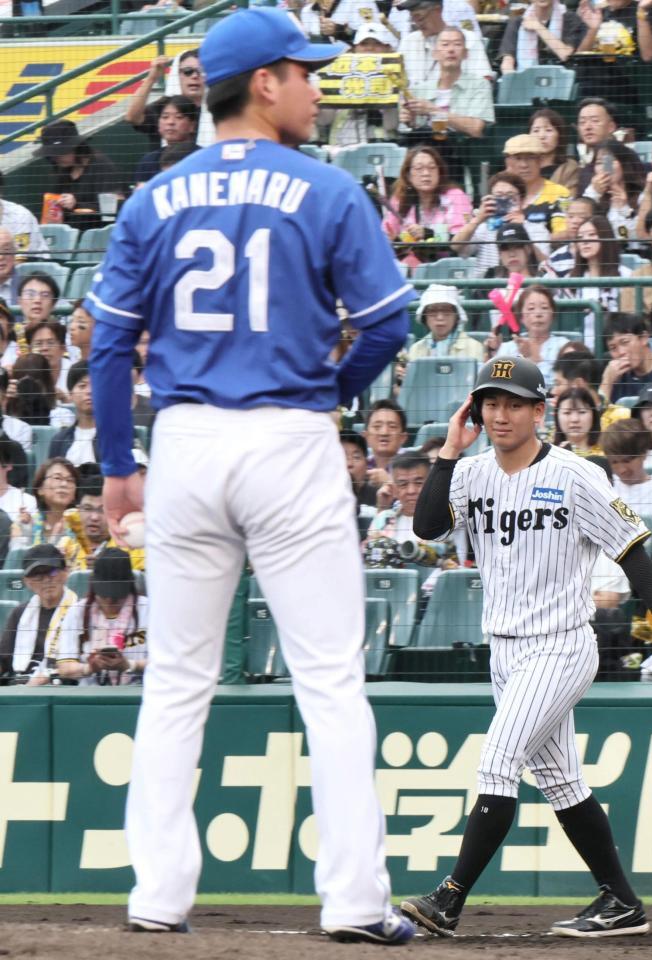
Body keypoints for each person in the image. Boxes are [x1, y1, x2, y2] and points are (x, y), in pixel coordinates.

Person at [82, 8, 416, 942]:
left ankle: (157, 894)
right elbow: (387, 322)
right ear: (262, 83)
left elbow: (110, 342)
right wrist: (331, 394)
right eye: (304, 72)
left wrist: (117, 469)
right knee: (329, 682)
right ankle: (354, 902)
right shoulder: (326, 189)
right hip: (288, 438)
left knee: (176, 681)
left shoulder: (153, 197)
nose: (316, 85)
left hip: (185, 441)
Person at [402, 356, 652, 937]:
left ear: (540, 412)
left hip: (560, 645)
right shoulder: (471, 473)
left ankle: (449, 898)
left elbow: (631, 548)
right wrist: (448, 452)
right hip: (505, 651)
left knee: (497, 761)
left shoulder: (575, 474)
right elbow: (427, 527)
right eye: (491, 402)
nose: (501, 414)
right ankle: (621, 902)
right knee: (561, 782)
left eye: (514, 403)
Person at [44, 547, 149, 685]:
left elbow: (167, 663)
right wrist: (91, 667)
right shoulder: (77, 612)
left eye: (117, 596)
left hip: (139, 693)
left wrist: (129, 665)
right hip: (89, 695)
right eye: (104, 595)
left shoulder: (149, 610)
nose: (110, 601)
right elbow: (65, 668)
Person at [400, 26, 494, 161]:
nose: (451, 50)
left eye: (457, 44)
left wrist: (434, 111)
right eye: (445, 45)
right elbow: (410, 128)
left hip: (460, 155)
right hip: (423, 155)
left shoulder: (479, 85)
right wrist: (409, 120)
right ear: (435, 53)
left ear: (466, 53)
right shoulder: (419, 90)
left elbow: (476, 128)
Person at [382, 146, 472, 265]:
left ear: (439, 172)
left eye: (432, 168)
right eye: (419, 168)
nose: (426, 173)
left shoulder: (455, 196)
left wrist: (427, 233)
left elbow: (459, 243)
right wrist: (394, 240)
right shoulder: (400, 200)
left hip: (448, 268)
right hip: (408, 267)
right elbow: (386, 235)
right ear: (408, 175)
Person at [0, 544, 77, 682]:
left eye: (52, 572)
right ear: (27, 582)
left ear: (66, 572)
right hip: (18, 688)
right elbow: (3, 661)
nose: (46, 580)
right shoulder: (19, 613)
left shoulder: (79, 611)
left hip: (58, 689)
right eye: (38, 575)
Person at [451, 172, 548, 276]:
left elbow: (545, 263)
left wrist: (522, 231)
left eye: (510, 197)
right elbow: (456, 246)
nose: (504, 201)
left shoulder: (535, 228)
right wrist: (478, 219)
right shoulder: (483, 228)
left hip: (526, 286)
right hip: (486, 287)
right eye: (499, 197)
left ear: (522, 201)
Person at [36, 119, 125, 231]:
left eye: (59, 153)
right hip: (69, 237)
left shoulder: (101, 166)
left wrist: (77, 204)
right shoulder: (62, 170)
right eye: (52, 154)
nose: (55, 158)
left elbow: (114, 209)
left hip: (100, 235)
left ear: (75, 148)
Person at [602, 418, 652, 536]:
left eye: (627, 460)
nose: (622, 469)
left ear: (643, 454)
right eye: (614, 462)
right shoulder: (604, 489)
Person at [396, 0, 492, 88]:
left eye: (420, 18)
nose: (417, 24)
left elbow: (484, 83)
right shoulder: (408, 42)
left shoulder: (469, 39)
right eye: (413, 19)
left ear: (438, 10)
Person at [124, 51, 207, 150]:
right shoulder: (163, 108)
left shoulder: (219, 110)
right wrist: (151, 78)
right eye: (188, 71)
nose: (194, 76)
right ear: (177, 75)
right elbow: (132, 117)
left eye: (201, 71)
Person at [490, 285, 569, 387]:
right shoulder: (508, 348)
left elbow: (556, 388)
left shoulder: (563, 346)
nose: (538, 314)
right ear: (521, 317)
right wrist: (490, 353)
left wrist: (534, 359)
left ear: (553, 314)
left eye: (544, 308)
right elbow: (495, 384)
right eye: (531, 308)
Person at [501, 134, 569, 237]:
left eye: (530, 158)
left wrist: (528, 225)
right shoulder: (499, 193)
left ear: (541, 160)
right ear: (507, 162)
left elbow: (563, 236)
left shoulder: (560, 193)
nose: (524, 165)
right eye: (518, 158)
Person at [499, 0, 586, 73]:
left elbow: (565, 54)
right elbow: (507, 63)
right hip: (525, 82)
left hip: (559, 81)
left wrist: (538, 27)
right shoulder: (518, 22)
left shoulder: (569, 18)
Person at [598, 312, 652, 403]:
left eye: (625, 342)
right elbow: (598, 414)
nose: (621, 352)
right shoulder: (615, 378)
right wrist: (607, 381)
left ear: (643, 338)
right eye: (613, 348)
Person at [134, 96, 199, 185]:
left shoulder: (203, 157)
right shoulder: (149, 161)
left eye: (179, 117)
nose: (170, 122)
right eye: (165, 117)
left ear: (192, 125)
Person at [408, 284, 484, 360]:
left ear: (456, 316)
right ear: (425, 317)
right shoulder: (416, 349)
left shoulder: (474, 347)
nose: (440, 317)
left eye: (446, 311)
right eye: (432, 311)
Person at [528, 107, 580, 191]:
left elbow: (568, 200)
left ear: (559, 135)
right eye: (536, 131)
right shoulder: (522, 166)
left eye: (548, 130)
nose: (542, 136)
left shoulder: (570, 168)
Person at [365, 399, 410, 482]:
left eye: (392, 427)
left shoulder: (414, 467)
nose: (384, 432)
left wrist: (388, 482)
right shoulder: (361, 468)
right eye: (377, 426)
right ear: (366, 436)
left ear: (403, 437)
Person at [553, 386, 602, 455]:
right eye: (567, 413)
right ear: (557, 417)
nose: (574, 419)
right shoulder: (549, 453)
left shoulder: (607, 451)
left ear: (593, 415)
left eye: (582, 412)